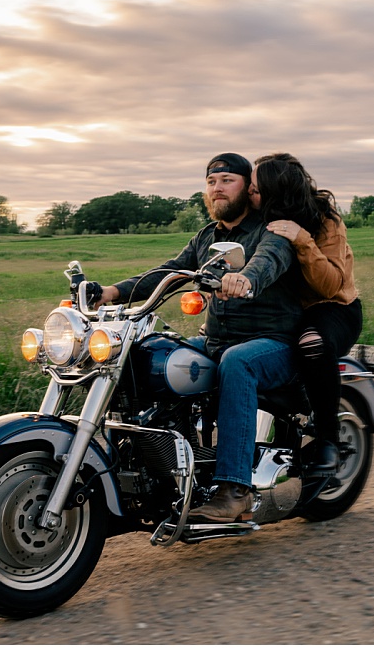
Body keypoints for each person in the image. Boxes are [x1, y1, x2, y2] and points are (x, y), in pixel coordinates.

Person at [93, 153, 303, 523]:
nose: (217, 188)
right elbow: (169, 271)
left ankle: (234, 489)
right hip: (216, 340)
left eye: (227, 181)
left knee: (237, 362)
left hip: (273, 342)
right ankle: (138, 473)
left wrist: (246, 279)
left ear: (247, 188)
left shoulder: (271, 229)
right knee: (143, 357)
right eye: (211, 182)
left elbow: (266, 261)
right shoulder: (207, 236)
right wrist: (111, 291)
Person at [250, 152, 363, 479]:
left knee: (311, 342)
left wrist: (302, 240)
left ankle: (327, 440)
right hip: (285, 312)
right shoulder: (259, 220)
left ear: (277, 191)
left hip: (333, 309)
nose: (250, 194)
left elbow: (330, 286)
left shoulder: (325, 220)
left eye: (257, 188)